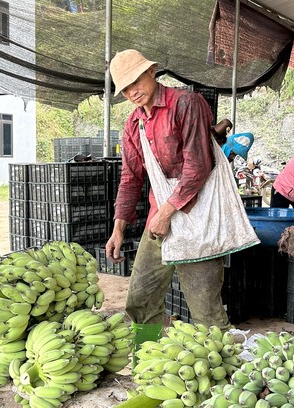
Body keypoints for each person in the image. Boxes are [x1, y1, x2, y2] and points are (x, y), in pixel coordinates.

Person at [105, 49, 232, 353]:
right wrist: (118, 228)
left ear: (152, 72)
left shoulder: (186, 104)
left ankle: (223, 375)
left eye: (136, 80)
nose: (132, 91)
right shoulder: (134, 123)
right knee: (141, 297)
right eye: (125, 88)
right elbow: (131, 178)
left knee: (204, 308)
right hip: (158, 219)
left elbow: (198, 166)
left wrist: (167, 212)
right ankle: (147, 357)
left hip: (196, 219)